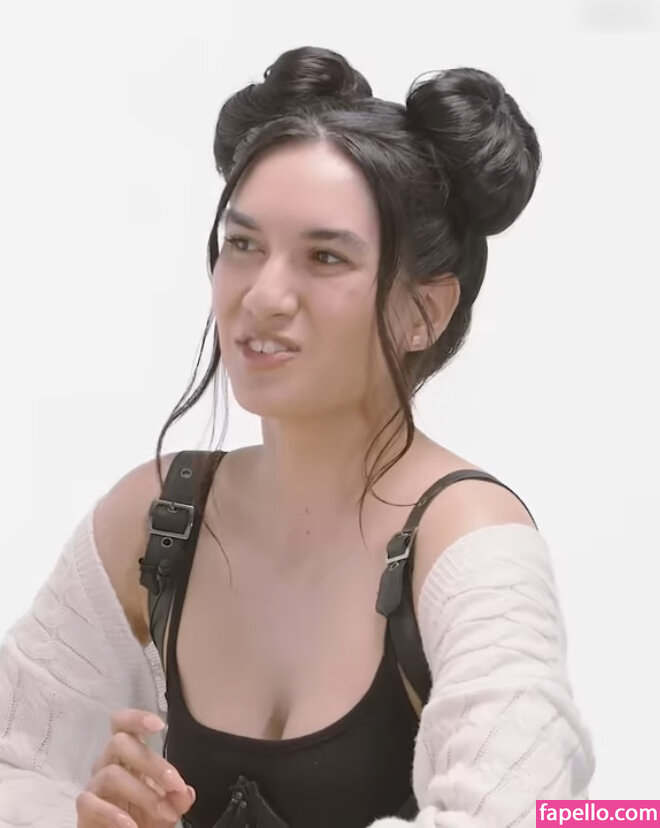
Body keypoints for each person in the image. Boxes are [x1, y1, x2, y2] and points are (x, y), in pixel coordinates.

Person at [0, 46, 595, 828]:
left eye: (324, 257)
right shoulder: (157, 519)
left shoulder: (469, 544)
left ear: (424, 310)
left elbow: (524, 813)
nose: (263, 295)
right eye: (243, 245)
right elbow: (13, 761)